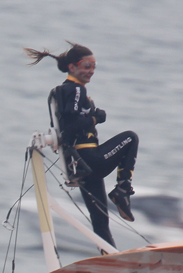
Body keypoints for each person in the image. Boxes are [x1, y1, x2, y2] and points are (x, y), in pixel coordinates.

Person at [24, 42, 139, 247]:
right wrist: (95, 118)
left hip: (80, 167)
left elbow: (65, 122)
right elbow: (71, 123)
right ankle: (122, 190)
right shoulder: (76, 90)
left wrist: (91, 115)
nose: (91, 71)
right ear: (72, 67)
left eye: (94, 66)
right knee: (130, 138)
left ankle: (108, 257)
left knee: (100, 221)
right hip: (90, 159)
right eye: (86, 65)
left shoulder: (59, 93)